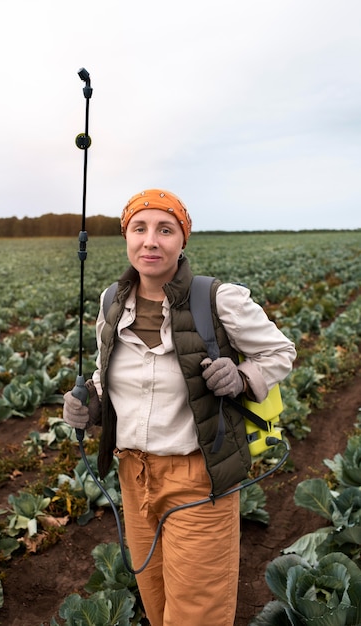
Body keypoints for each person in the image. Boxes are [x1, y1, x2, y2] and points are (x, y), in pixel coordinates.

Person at [63, 189, 296, 626]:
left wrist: (242, 377)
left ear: (182, 240)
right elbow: (103, 375)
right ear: (126, 237)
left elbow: (281, 353)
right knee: (156, 601)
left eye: (165, 229)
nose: (151, 241)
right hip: (133, 476)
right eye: (140, 228)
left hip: (198, 480)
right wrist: (88, 404)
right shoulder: (111, 301)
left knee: (196, 615)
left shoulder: (219, 299)